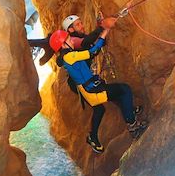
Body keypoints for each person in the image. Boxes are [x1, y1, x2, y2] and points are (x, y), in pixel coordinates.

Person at [49, 21, 148, 154]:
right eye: (68, 40)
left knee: (115, 95)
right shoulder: (70, 56)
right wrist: (104, 32)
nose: (71, 41)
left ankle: (129, 113)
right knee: (124, 90)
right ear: (63, 45)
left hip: (90, 89)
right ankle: (133, 126)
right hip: (93, 91)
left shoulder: (67, 56)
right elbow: (92, 51)